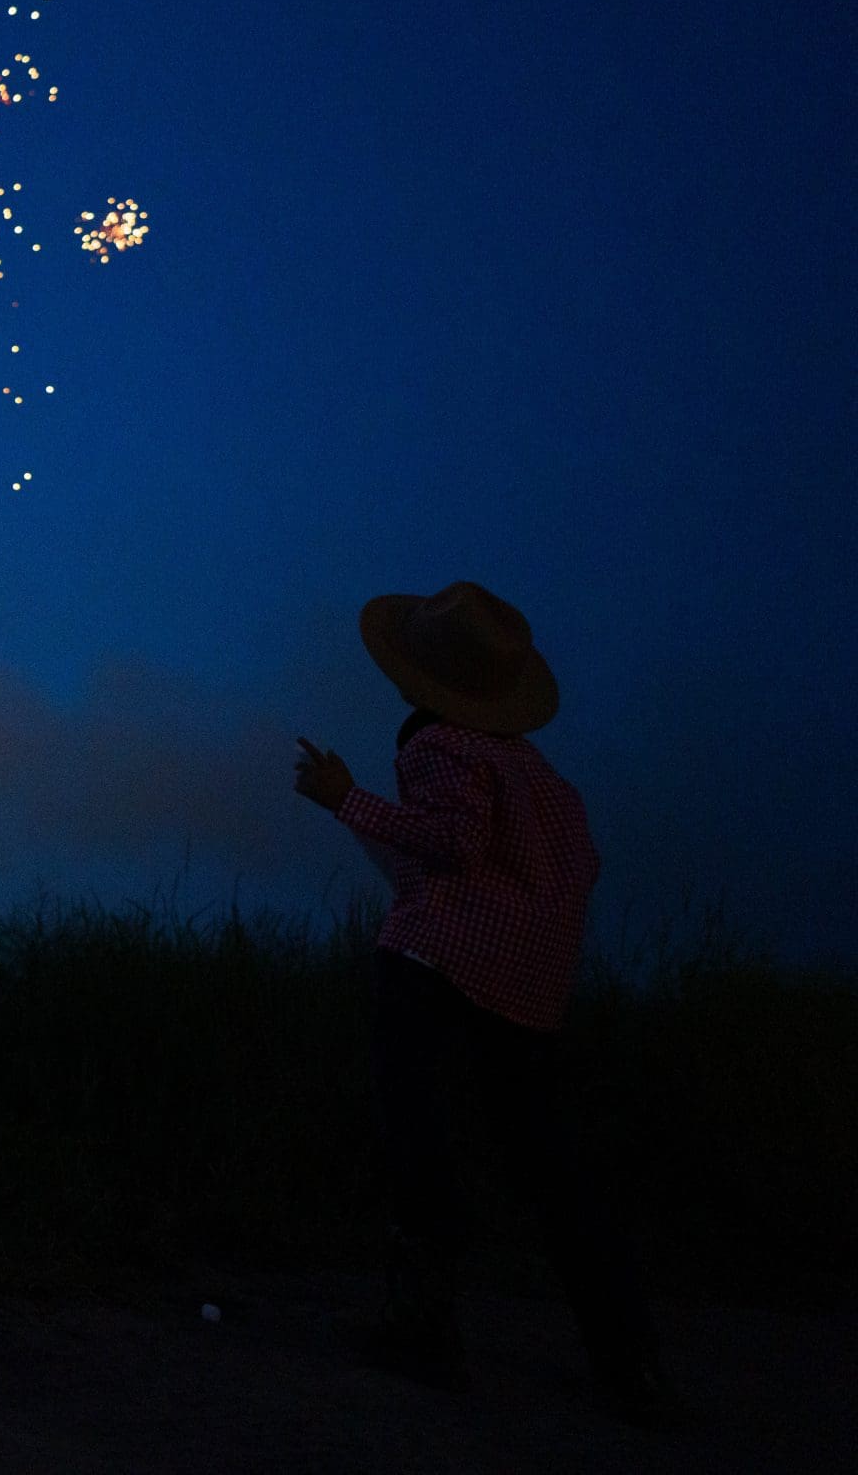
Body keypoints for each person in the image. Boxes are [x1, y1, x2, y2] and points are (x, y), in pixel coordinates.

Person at [291, 580, 670, 1422]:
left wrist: (343, 798)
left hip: (435, 961)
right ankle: (631, 1363)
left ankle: (423, 1334)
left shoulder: (436, 745)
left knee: (418, 1139)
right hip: (528, 989)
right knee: (551, 1171)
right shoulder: (545, 782)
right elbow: (579, 870)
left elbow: (455, 841)